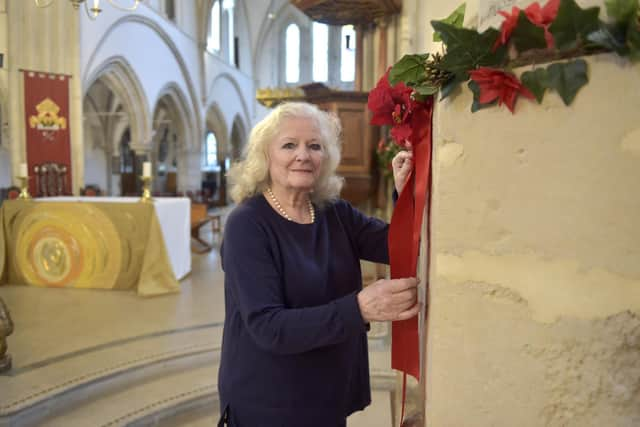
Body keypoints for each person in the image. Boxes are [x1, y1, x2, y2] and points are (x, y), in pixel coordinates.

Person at [218, 102, 419, 426]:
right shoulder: (247, 225)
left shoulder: (332, 211)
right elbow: (268, 327)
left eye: (314, 146)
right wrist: (361, 308)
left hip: (326, 387)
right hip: (271, 399)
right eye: (289, 145)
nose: (303, 155)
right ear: (265, 156)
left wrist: (405, 190)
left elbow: (394, 246)